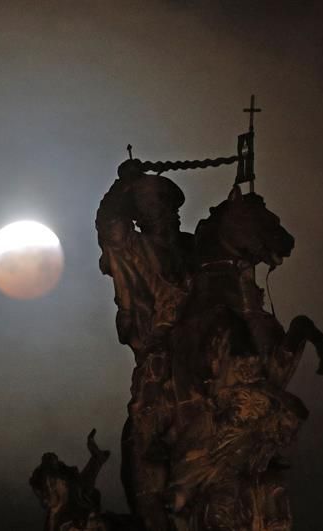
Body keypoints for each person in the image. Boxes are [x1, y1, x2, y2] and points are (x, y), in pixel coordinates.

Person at [95, 160, 195, 531]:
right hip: (160, 341)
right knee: (150, 391)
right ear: (140, 214)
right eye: (153, 206)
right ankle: (152, 437)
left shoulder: (191, 246)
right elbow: (109, 228)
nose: (165, 213)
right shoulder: (135, 249)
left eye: (168, 205)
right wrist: (121, 186)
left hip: (199, 337)